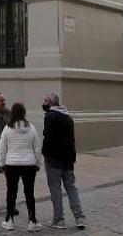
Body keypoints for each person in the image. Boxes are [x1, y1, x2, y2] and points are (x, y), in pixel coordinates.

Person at [42, 93, 86, 230]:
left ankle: (59, 219)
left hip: (54, 159)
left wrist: (45, 153)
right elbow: (71, 139)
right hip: (68, 159)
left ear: (51, 103)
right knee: (71, 188)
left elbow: (48, 137)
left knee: (55, 190)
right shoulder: (68, 117)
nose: (43, 103)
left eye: (45, 101)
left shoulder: (50, 116)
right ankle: (79, 217)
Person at [0, 102, 42, 232]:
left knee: (11, 192)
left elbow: (2, 147)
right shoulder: (31, 128)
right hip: (29, 164)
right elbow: (37, 147)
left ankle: (9, 220)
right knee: (29, 192)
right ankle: (32, 221)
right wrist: (37, 163)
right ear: (24, 113)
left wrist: (2, 164)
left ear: (12, 113)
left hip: (12, 164)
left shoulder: (7, 128)